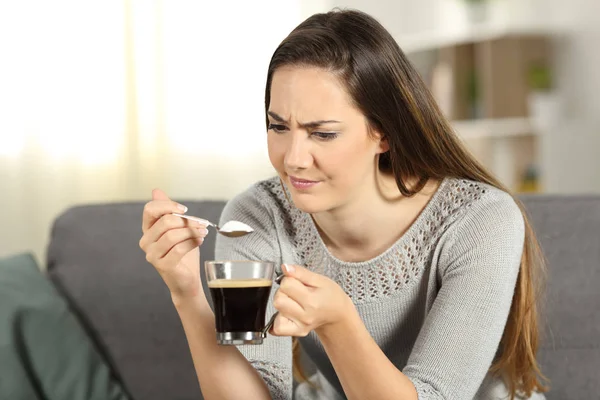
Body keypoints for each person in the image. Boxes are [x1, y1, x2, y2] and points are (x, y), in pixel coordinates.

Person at [139, 8, 548, 400]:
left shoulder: (479, 221)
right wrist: (188, 296)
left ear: (383, 133)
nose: (293, 157)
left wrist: (338, 323)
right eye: (278, 126)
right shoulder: (255, 221)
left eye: (323, 133)